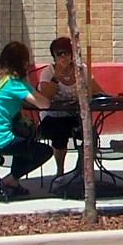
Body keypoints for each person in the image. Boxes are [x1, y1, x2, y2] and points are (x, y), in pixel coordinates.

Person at [0, 40, 54, 200]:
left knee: (23, 140)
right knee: (44, 151)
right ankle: (5, 181)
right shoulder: (13, 82)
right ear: (23, 63)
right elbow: (44, 104)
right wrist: (26, 78)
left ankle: (13, 184)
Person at [34, 36, 88, 175]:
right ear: (54, 56)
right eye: (59, 53)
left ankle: (81, 168)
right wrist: (56, 78)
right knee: (60, 132)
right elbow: (46, 98)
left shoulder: (81, 70)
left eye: (67, 52)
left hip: (73, 115)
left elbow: (96, 90)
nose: (63, 56)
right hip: (52, 117)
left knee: (90, 131)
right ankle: (60, 171)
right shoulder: (48, 72)